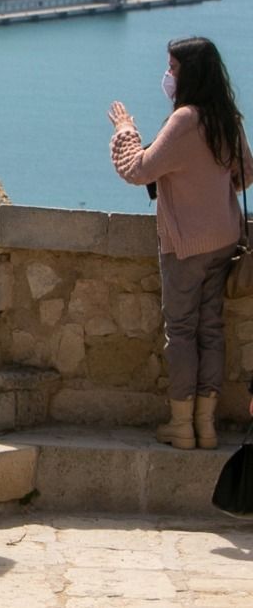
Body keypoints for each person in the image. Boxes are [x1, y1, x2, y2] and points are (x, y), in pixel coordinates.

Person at [108, 36, 250, 450]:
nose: (167, 76)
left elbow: (138, 169)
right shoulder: (226, 117)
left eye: (172, 68)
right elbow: (245, 172)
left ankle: (181, 424)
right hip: (225, 239)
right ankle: (207, 426)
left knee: (182, 332)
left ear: (188, 73)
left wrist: (125, 129)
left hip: (185, 244)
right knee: (212, 330)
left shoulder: (184, 120)